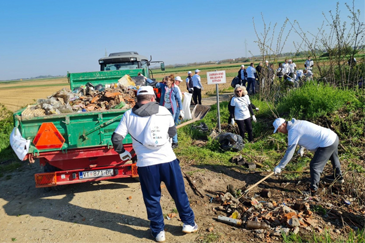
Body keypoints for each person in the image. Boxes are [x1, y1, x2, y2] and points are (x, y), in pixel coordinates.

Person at [111, 86, 198, 242]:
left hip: (146, 165)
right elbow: (172, 133)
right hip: (168, 161)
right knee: (178, 193)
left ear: (137, 99)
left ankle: (158, 232)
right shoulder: (164, 111)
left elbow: (117, 138)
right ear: (152, 98)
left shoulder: (128, 115)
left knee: (152, 198)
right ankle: (188, 223)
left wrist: (123, 153)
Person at [272, 118, 344, 195]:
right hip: (333, 137)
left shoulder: (293, 131)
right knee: (334, 157)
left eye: (279, 129)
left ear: (283, 124)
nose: (279, 131)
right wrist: (301, 148)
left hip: (326, 143)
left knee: (314, 166)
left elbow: (290, 151)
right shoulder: (297, 123)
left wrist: (280, 166)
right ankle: (338, 177)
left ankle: (313, 190)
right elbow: (306, 134)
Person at [156, 77, 182, 148]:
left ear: (171, 82)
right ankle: (166, 141)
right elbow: (156, 84)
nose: (166, 81)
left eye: (168, 80)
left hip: (171, 109)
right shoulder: (164, 87)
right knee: (163, 125)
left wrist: (181, 109)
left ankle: (175, 142)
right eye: (166, 80)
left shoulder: (174, 89)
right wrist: (146, 78)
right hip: (164, 109)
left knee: (171, 125)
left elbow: (179, 99)